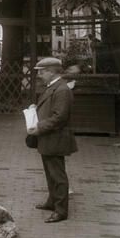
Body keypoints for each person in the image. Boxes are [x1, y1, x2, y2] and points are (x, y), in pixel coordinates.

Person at [27, 57, 77, 223]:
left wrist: (39, 127)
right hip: (49, 138)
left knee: (58, 175)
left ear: (50, 71)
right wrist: (36, 109)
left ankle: (61, 210)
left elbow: (59, 118)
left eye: (41, 72)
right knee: (50, 173)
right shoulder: (54, 87)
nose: (39, 75)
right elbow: (51, 110)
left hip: (55, 138)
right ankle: (52, 202)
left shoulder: (61, 90)